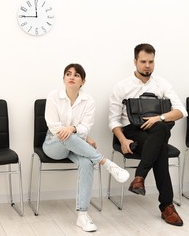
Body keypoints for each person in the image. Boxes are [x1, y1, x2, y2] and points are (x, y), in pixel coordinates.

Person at [43, 63, 130, 232]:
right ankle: (105, 162)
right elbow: (54, 126)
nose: (71, 77)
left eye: (76, 75)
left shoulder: (89, 101)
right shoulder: (53, 96)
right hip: (53, 144)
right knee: (65, 136)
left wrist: (74, 130)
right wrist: (75, 132)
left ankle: (82, 215)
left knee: (86, 163)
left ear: (83, 81)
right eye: (68, 74)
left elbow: (85, 127)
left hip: (76, 144)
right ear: (63, 78)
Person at [109, 43, 188, 226]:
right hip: (132, 132)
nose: (147, 65)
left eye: (151, 62)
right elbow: (113, 121)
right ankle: (167, 206)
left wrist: (157, 118)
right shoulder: (122, 87)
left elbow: (181, 111)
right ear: (135, 61)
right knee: (160, 147)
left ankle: (139, 178)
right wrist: (122, 140)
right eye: (143, 61)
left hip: (155, 131)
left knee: (160, 129)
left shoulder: (162, 83)